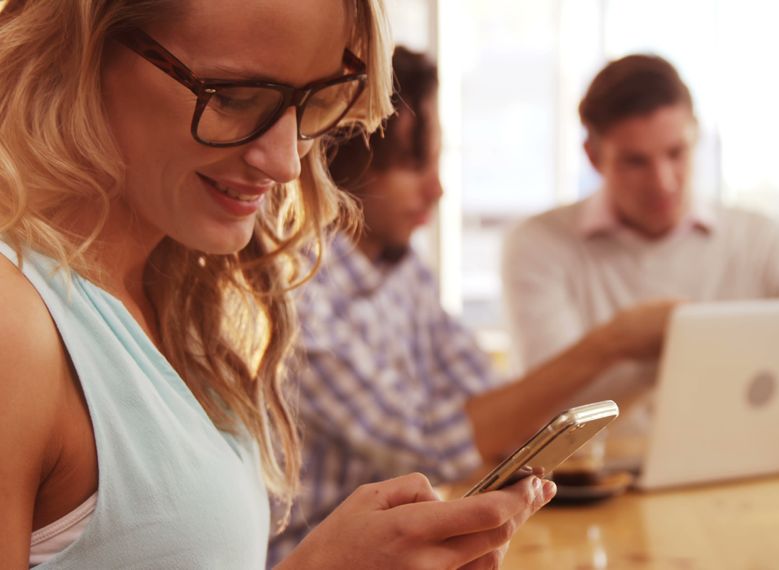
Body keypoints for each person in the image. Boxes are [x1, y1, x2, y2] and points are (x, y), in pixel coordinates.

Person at [0, 1, 552, 568]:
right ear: (78, 53)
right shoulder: (15, 324)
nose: (287, 162)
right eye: (234, 97)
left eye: (317, 99)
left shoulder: (168, 300)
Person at [270, 47, 676, 562]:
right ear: (341, 160)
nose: (437, 188)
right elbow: (431, 443)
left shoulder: (401, 271)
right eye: (414, 163)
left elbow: (493, 404)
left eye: (438, 160)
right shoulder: (299, 290)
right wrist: (612, 343)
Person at [501, 54, 779, 434]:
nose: (663, 182)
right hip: (602, 484)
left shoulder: (766, 242)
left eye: (676, 153)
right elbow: (549, 411)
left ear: (696, 135)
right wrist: (618, 340)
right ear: (593, 156)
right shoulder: (539, 245)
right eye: (636, 162)